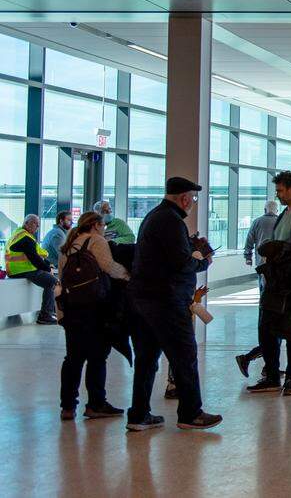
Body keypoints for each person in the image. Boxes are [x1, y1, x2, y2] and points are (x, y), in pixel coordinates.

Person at [127, 176, 221, 431]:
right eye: (192, 198)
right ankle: (190, 413)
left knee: (146, 358)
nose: (192, 203)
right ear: (184, 198)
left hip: (143, 299)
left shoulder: (153, 217)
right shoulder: (171, 221)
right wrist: (202, 261)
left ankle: (138, 415)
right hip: (167, 300)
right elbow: (180, 262)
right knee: (185, 354)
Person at [246, 171, 291, 395]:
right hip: (276, 283)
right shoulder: (283, 215)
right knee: (267, 329)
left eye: (280, 190)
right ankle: (271, 375)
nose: (277, 195)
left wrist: (288, 258)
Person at [57, 210, 130, 421]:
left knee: (73, 358)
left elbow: (62, 279)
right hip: (95, 308)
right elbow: (108, 267)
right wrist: (128, 275)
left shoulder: (69, 244)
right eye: (103, 225)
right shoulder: (97, 241)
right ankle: (96, 404)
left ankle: (68, 407)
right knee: (97, 356)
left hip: (72, 308)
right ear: (97, 225)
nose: (105, 228)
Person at [5, 214, 57, 324]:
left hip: (16, 270)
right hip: (22, 270)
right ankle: (45, 315)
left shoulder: (18, 234)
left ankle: (51, 312)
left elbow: (36, 255)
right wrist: (48, 270)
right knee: (52, 281)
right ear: (27, 223)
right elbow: (34, 258)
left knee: (50, 279)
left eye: (38, 225)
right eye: (35, 224)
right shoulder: (26, 238)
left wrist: (47, 265)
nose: (37, 227)